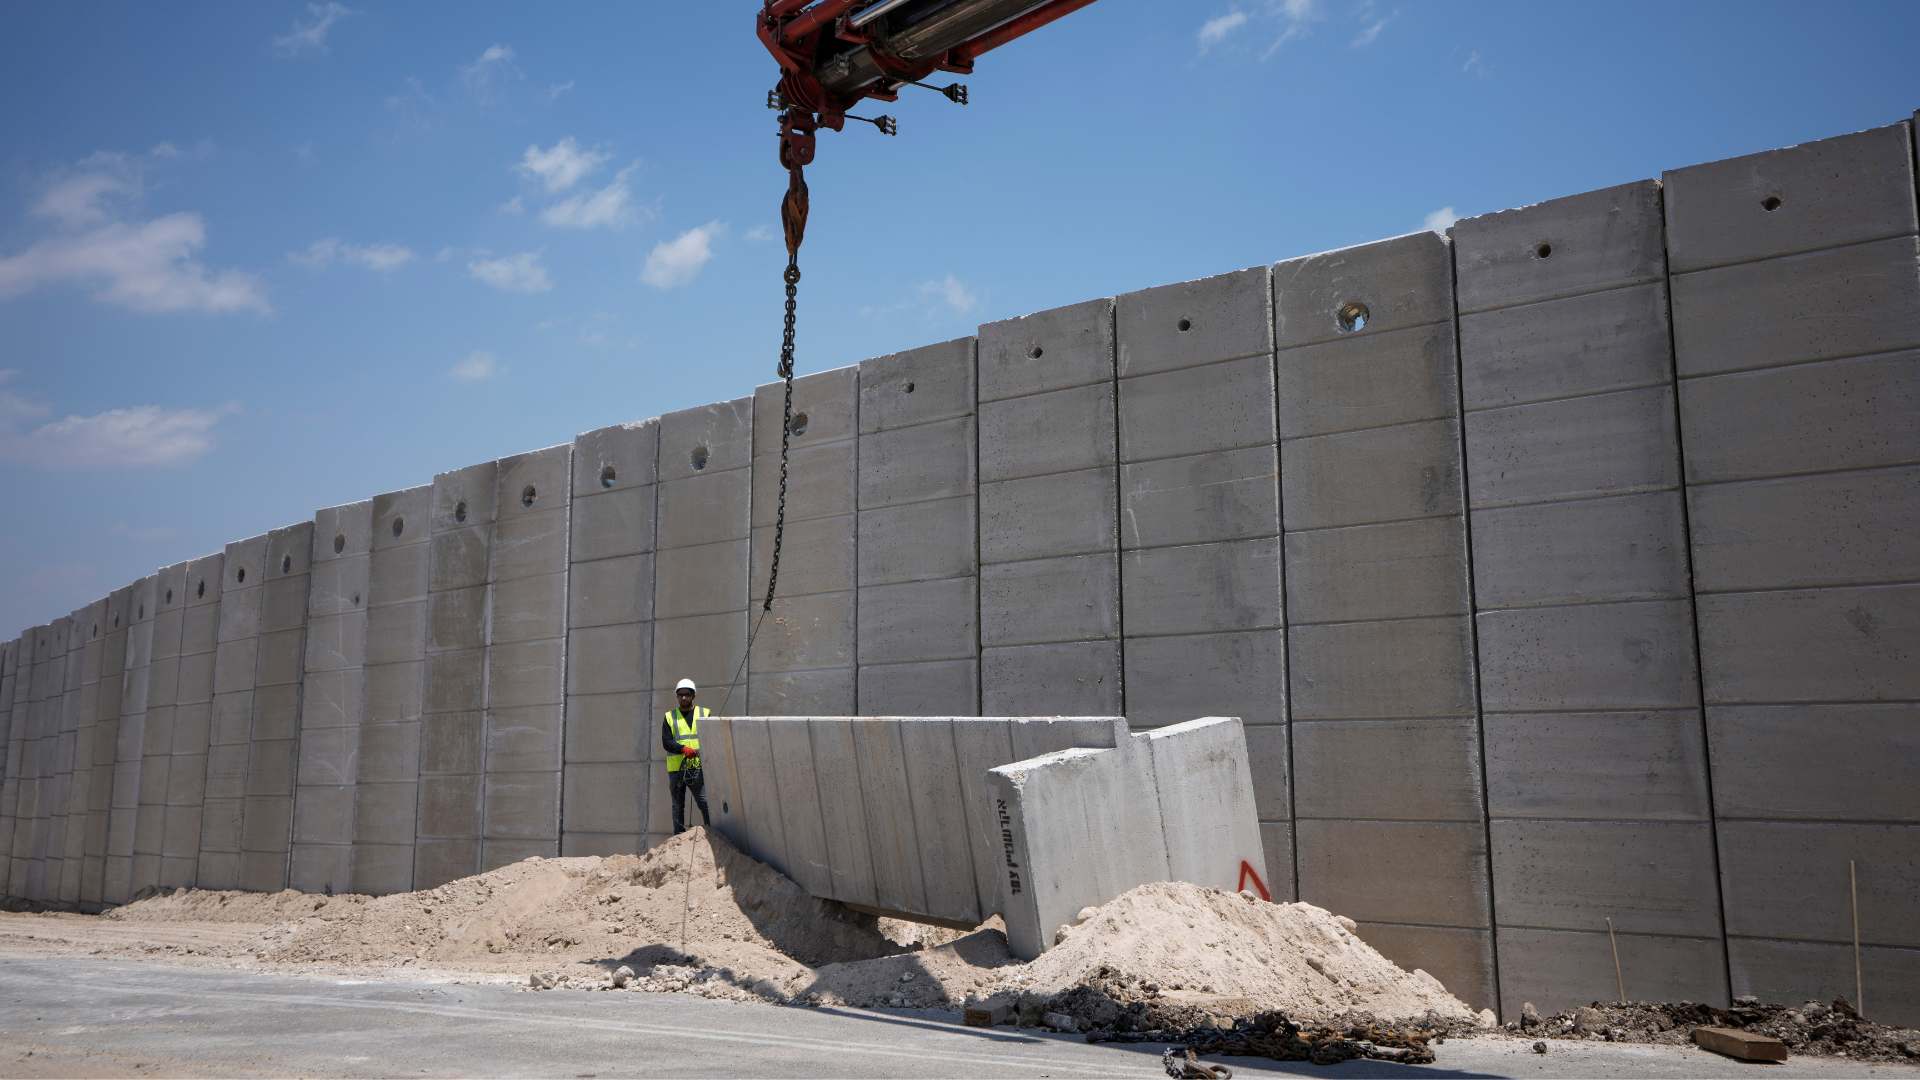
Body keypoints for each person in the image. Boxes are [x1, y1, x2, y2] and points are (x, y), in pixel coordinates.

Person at [662, 677, 711, 834]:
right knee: (677, 804)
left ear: (693, 696)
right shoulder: (670, 717)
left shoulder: (704, 714)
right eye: (680, 694)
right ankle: (678, 838)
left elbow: (711, 739)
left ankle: (711, 833)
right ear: (677, 696)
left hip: (696, 767)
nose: (683, 697)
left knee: (704, 802)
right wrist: (683, 749)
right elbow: (666, 742)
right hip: (677, 769)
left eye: (687, 694)